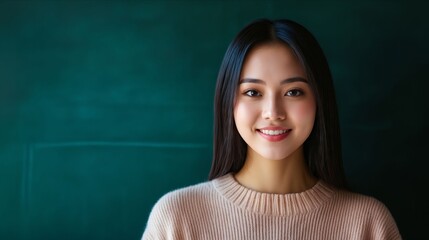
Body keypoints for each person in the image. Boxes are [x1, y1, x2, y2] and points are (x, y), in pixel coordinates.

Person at [142, 19, 401, 239]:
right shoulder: (176, 218)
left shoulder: (368, 223)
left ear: (320, 101)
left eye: (293, 92)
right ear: (228, 103)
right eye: (253, 92)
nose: (273, 112)